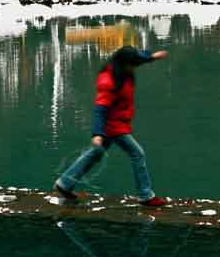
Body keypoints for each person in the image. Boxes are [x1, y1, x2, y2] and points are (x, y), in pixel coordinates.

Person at [54, 45, 168, 207]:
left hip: (118, 122)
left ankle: (65, 183)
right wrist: (97, 134)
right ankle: (146, 195)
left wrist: (152, 57)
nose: (133, 66)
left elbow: (138, 58)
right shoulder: (109, 81)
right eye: (130, 64)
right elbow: (100, 109)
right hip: (112, 125)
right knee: (137, 154)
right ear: (123, 63)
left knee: (94, 154)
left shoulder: (125, 67)